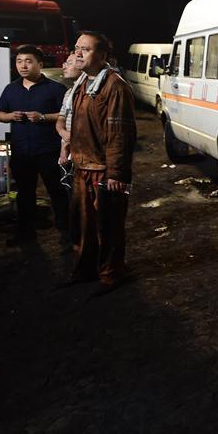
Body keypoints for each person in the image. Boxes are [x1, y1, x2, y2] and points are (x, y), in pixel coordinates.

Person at [64, 32, 137, 296]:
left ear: (103, 55)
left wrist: (116, 172)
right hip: (83, 167)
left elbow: (120, 133)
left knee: (108, 227)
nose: (78, 53)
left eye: (86, 49)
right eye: (76, 48)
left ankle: (111, 275)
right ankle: (86, 270)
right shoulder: (83, 84)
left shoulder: (114, 86)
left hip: (104, 172)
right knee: (83, 226)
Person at [0, 45, 69, 246]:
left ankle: (67, 234)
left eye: (28, 61)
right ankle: (26, 233)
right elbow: (0, 114)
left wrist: (43, 117)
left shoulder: (55, 88)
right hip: (21, 152)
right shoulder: (11, 89)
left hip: (48, 151)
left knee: (58, 192)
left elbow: (68, 116)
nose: (23, 65)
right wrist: (10, 116)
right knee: (25, 193)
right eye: (19, 61)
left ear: (40, 64)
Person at [56, 53, 85, 166]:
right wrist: (63, 133)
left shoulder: (89, 93)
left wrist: (69, 141)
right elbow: (61, 118)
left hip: (83, 152)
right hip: (67, 151)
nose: (64, 67)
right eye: (65, 63)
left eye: (69, 63)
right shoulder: (69, 92)